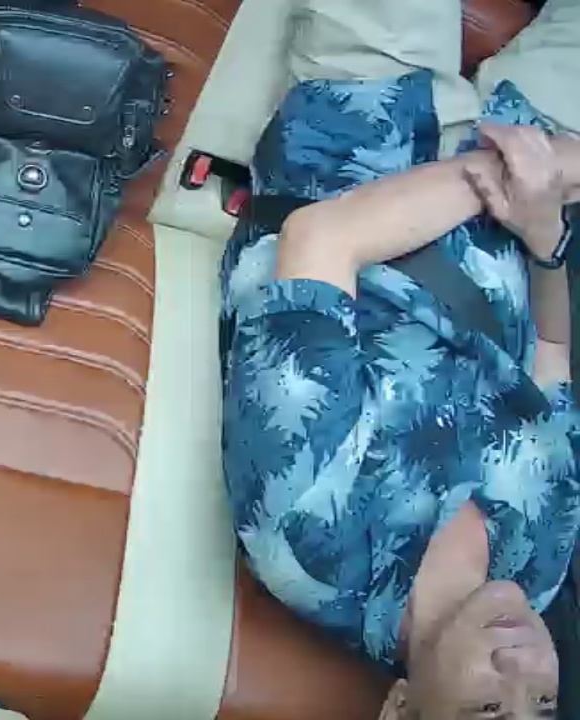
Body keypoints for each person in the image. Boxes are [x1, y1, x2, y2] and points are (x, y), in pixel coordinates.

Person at [222, 0, 580, 717]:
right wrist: (548, 238)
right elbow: (551, 352)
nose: (521, 663)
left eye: (487, 711)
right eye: (543, 703)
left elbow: (323, 239)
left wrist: (508, 172)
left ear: (401, 708)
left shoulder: (314, 544)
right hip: (522, 183)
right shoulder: (540, 568)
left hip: (367, 135)